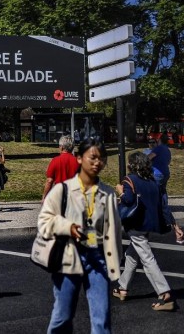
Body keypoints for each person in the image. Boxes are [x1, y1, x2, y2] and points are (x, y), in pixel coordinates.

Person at [37, 138, 122, 334]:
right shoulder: (62, 190)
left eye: (101, 159)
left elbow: (115, 230)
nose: (97, 163)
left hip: (98, 259)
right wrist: (68, 227)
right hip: (69, 255)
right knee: (63, 317)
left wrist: (115, 262)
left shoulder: (108, 193)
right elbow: (44, 220)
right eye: (92, 157)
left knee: (102, 320)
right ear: (79, 159)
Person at [113, 152, 175, 311]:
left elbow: (128, 200)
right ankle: (122, 287)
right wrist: (173, 223)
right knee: (132, 255)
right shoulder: (153, 181)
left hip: (135, 225)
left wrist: (120, 191)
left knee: (147, 258)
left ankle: (164, 294)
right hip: (149, 224)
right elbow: (162, 204)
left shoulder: (129, 180)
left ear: (132, 165)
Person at [148, 133, 184, 243]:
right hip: (165, 175)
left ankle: (171, 226)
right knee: (162, 198)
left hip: (156, 175)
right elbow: (168, 162)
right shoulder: (167, 150)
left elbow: (148, 158)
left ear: (159, 140)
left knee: (154, 200)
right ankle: (176, 228)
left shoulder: (158, 148)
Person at [42, 135, 79, 202]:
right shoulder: (78, 162)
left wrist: (44, 197)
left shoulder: (55, 160)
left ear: (61, 147)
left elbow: (49, 181)